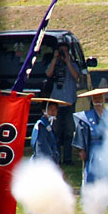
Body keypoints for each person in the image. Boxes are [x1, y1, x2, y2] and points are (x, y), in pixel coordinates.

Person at [21, 98, 68, 214]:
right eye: (51, 108)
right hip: (42, 166)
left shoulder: (48, 125)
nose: (54, 111)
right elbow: (43, 150)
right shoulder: (41, 125)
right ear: (44, 110)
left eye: (55, 108)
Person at [43, 38, 80, 166]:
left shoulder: (73, 64)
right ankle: (56, 158)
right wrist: (55, 59)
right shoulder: (54, 64)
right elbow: (48, 73)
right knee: (56, 132)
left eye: (65, 51)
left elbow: (76, 76)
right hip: (56, 104)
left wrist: (68, 61)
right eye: (61, 51)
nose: (63, 54)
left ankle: (68, 159)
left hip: (69, 103)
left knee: (69, 132)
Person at [73, 87, 108, 188]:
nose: (98, 100)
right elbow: (80, 131)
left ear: (104, 98)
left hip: (107, 148)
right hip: (93, 148)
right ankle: (90, 196)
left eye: (99, 97)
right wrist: (82, 149)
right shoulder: (86, 116)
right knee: (92, 173)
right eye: (95, 98)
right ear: (92, 100)